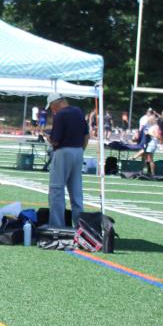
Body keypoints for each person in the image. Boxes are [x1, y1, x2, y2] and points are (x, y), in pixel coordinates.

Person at [46, 92, 89, 226]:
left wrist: (48, 138)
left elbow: (56, 140)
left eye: (51, 107)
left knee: (57, 189)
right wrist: (81, 150)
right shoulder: (78, 112)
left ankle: (57, 224)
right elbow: (86, 136)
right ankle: (80, 225)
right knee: (76, 191)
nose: (52, 110)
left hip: (63, 152)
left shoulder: (60, 115)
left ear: (55, 104)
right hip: (78, 151)